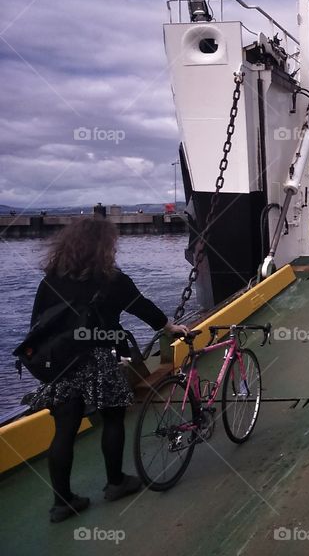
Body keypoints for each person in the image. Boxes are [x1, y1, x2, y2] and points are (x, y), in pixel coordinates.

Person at [28, 218, 188, 522]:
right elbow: (143, 308)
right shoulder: (111, 279)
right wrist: (171, 328)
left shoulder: (51, 279)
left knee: (64, 429)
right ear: (105, 246)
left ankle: (62, 503)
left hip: (60, 362)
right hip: (100, 358)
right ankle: (116, 483)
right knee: (113, 418)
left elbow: (38, 323)